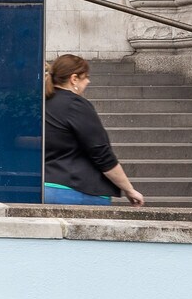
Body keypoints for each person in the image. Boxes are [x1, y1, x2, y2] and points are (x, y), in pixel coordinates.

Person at [42, 54, 146, 208]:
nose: (89, 81)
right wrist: (129, 189)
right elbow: (101, 153)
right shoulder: (76, 105)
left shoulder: (45, 103)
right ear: (74, 78)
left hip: (47, 187)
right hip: (78, 190)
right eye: (86, 77)